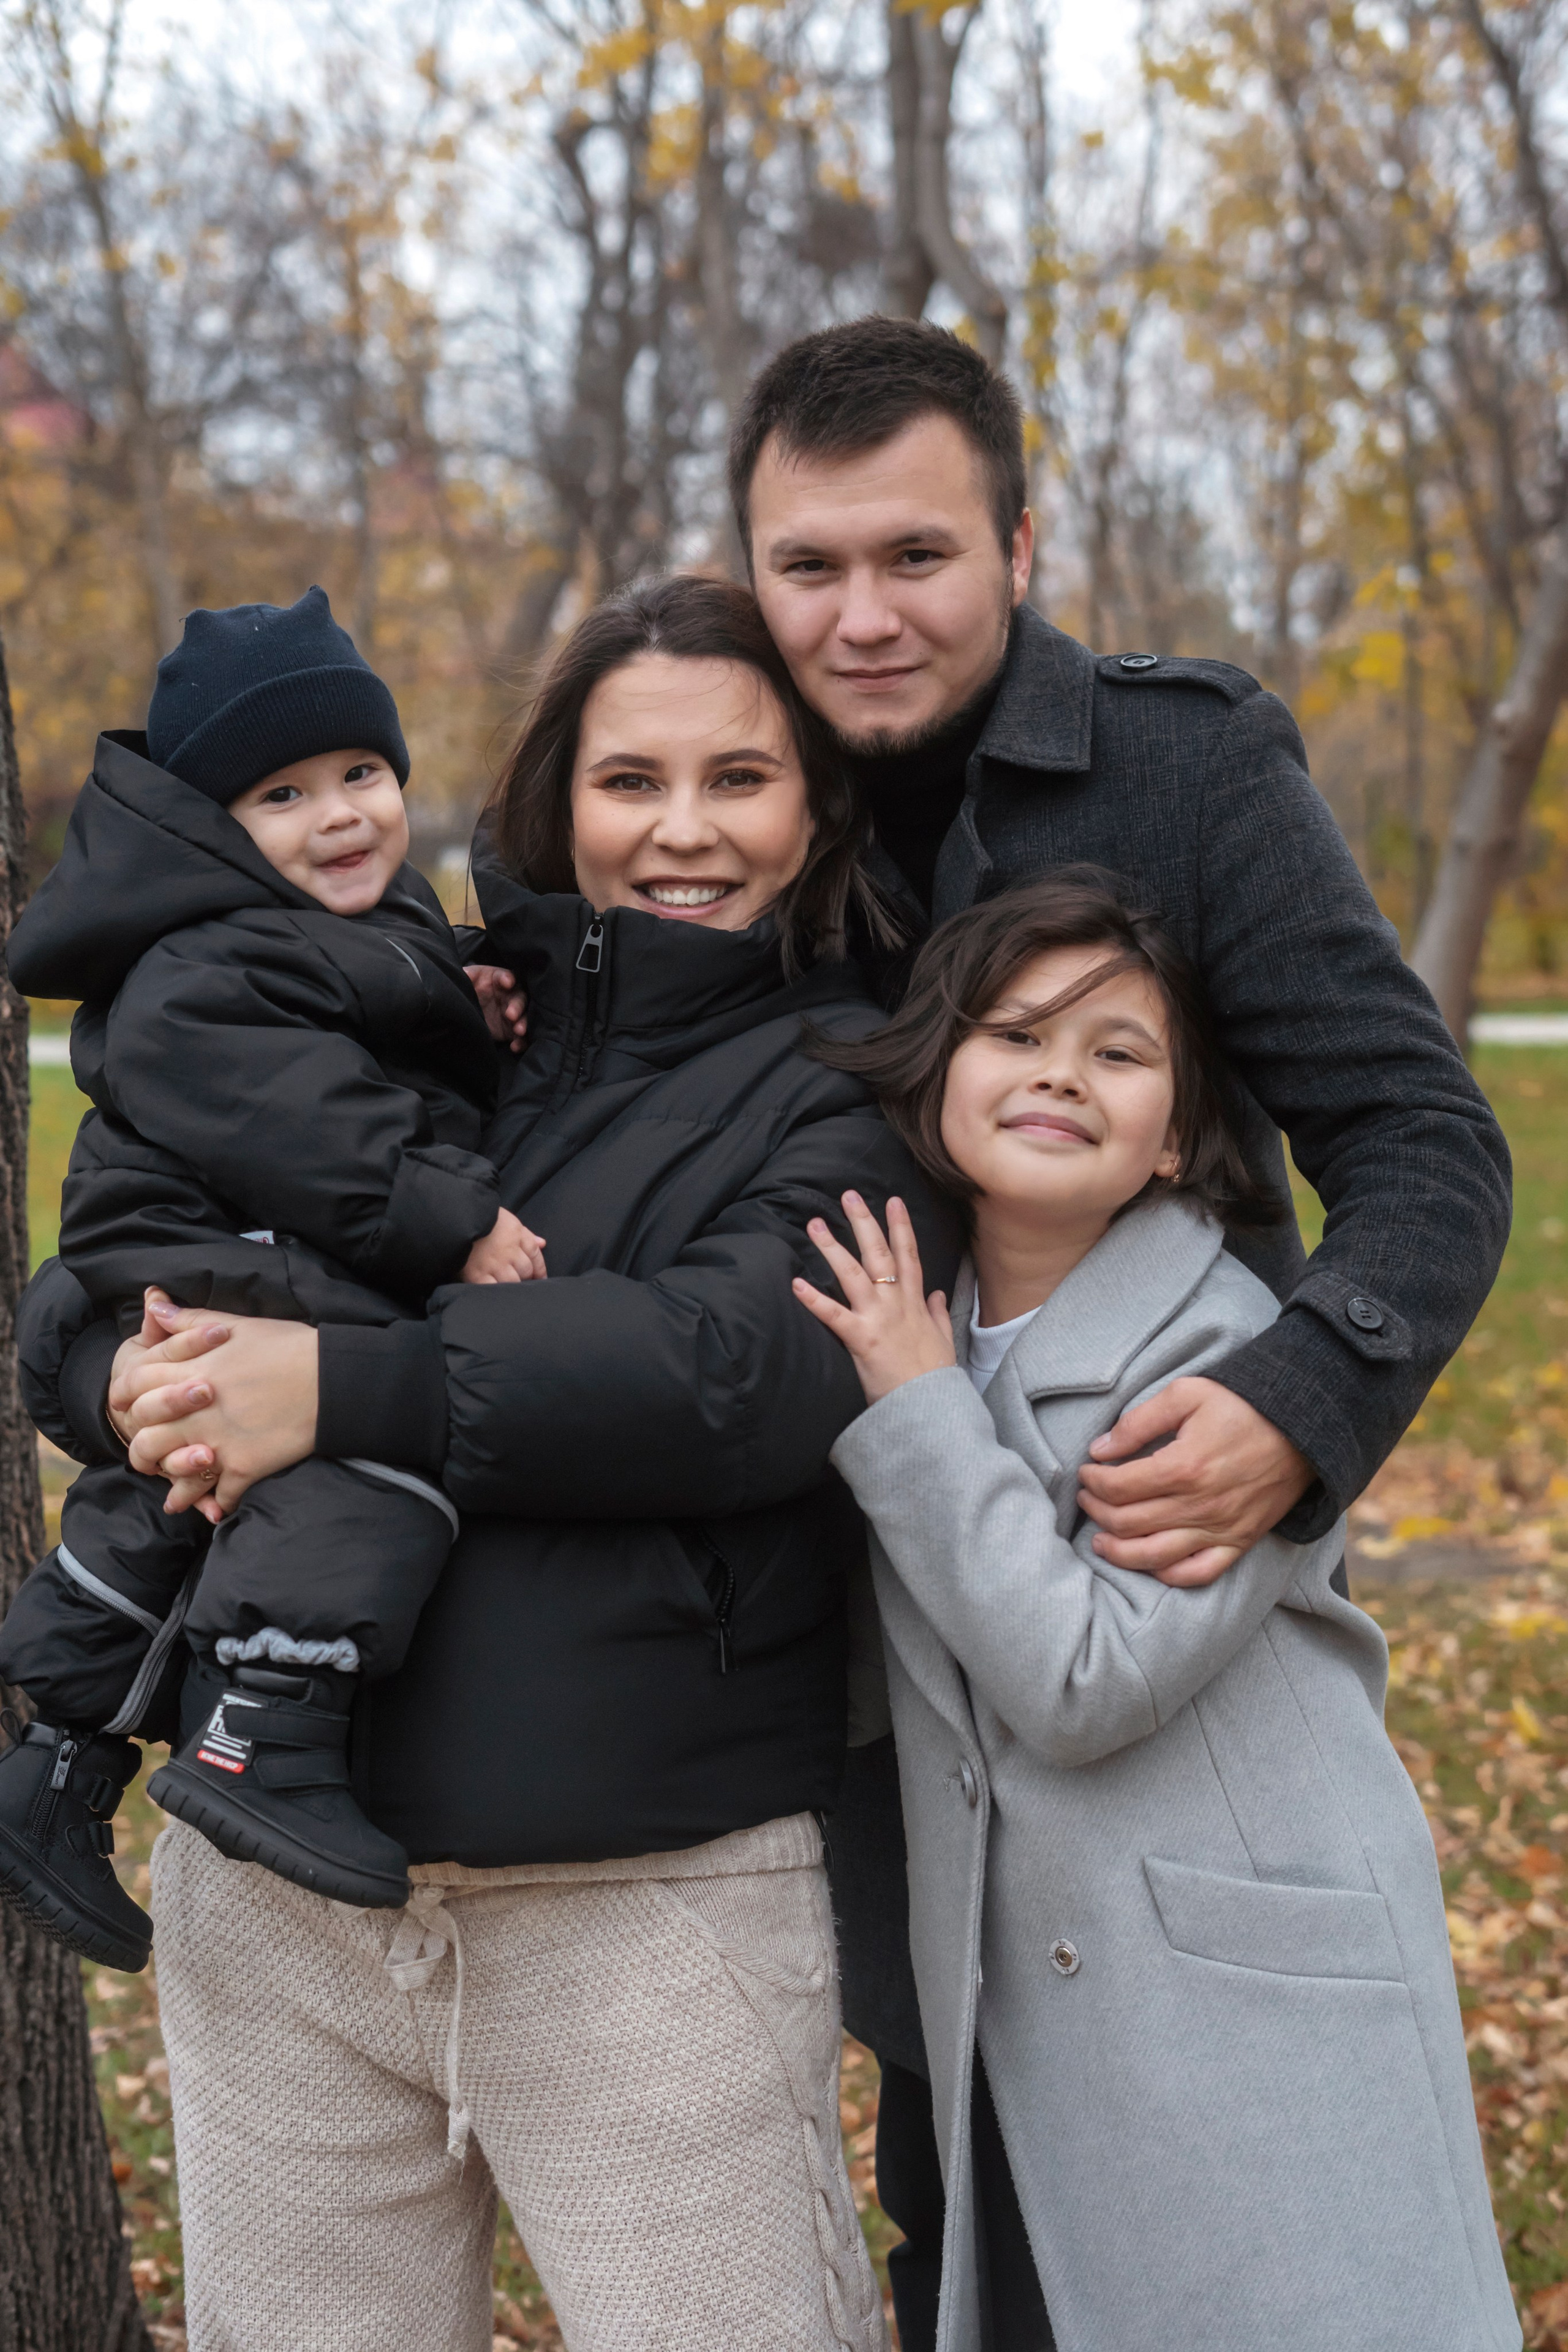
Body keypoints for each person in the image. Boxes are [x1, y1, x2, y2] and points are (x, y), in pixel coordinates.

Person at [17, 573, 952, 2352]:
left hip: (640, 1905)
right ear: (554, 794)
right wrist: (120, 1363)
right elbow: (129, 1244)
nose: (682, 830)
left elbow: (733, 1370)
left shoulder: (851, 1074)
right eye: (630, 781)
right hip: (279, 1905)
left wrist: (334, 1391)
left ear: (817, 806)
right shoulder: (417, 1005)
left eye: (741, 780)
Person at [723, 316, 1513, 2347]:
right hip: (855, 1648)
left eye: (917, 555)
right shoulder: (735, 779)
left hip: (1143, 1578)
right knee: (968, 2211)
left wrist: (1301, 1399)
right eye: (808, 567)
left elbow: (1424, 1143)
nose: (862, 614)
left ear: (1020, 540)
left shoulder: (1182, 763)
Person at [795, 875, 1520, 2352]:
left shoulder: (1222, 1351)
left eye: (1117, 1053)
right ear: (936, 1072)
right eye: (1014, 1033)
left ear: (1179, 1132)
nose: (1059, 1071)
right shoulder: (916, 1313)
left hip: (1227, 1989)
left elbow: (1080, 1678)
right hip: (1021, 1990)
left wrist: (919, 1411)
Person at [0, 586, 546, 1960]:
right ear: (213, 832)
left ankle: (58, 1764)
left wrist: (463, 993)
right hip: (210, 1241)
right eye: (284, 795)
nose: (343, 813)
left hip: (215, 1250)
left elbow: (373, 1019)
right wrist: (455, 1222)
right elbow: (311, 1124)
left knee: (175, 1487)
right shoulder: (204, 959)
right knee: (367, 1433)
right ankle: (267, 1733)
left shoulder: (344, 918)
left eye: (360, 772)